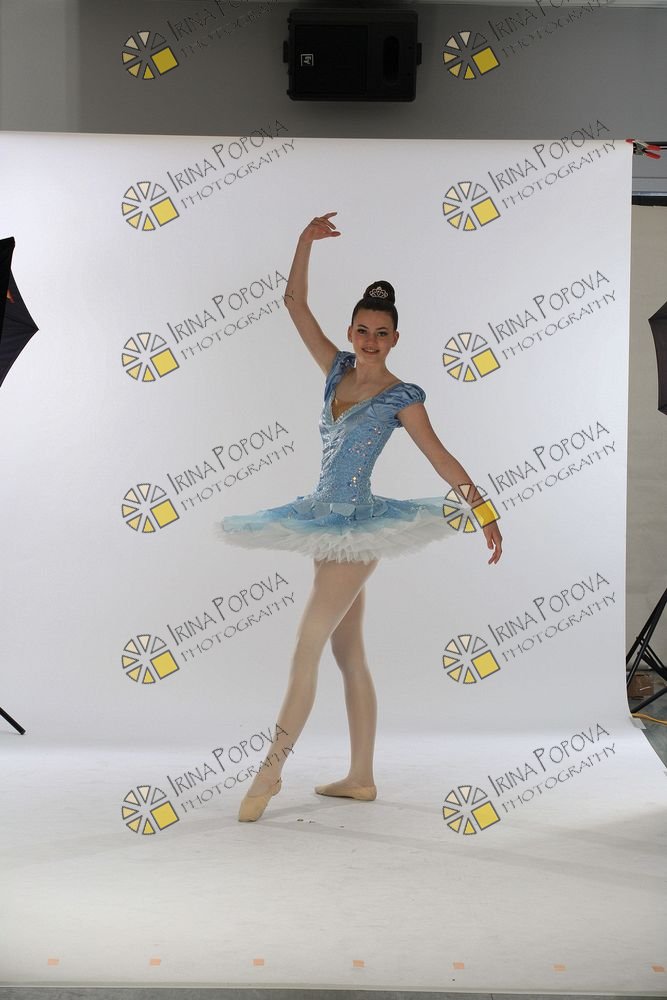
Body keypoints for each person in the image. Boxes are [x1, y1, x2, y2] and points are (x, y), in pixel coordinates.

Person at [217, 212, 503, 822]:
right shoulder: (335, 370)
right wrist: (303, 241)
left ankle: (270, 771)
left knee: (307, 645)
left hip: (361, 529)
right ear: (350, 332)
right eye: (363, 330)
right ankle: (361, 778)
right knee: (349, 653)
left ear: (396, 339)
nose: (371, 340)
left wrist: (483, 509)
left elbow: (439, 455)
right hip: (320, 519)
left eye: (382, 333)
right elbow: (294, 304)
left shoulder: (402, 397)